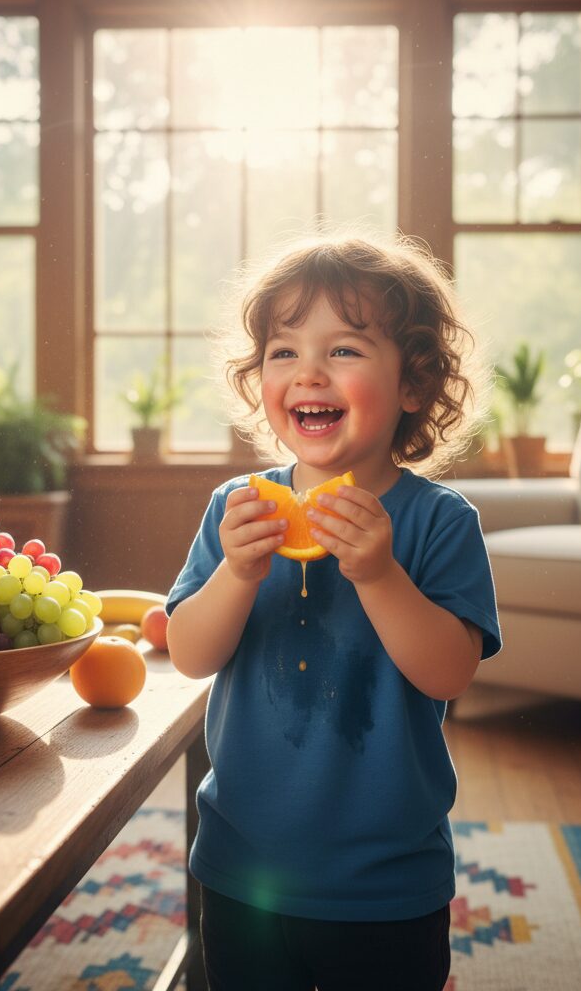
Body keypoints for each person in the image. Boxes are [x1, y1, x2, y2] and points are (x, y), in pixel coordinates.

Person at [165, 232, 501, 991]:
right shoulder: (238, 509)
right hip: (243, 866)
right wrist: (238, 575)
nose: (308, 371)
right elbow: (189, 653)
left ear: (413, 384)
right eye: (282, 352)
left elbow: (449, 673)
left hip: (387, 883)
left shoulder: (439, 522)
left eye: (344, 350)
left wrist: (381, 576)